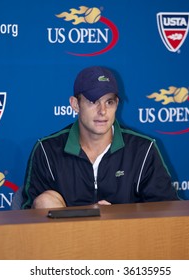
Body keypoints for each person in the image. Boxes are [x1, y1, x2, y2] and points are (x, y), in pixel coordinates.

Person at [21, 66, 178, 209]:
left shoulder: (143, 150)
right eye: (93, 101)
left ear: (117, 104)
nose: (102, 111)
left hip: (126, 236)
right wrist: (86, 220)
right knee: (44, 201)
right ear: (75, 104)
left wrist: (117, 217)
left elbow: (167, 209)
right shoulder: (47, 151)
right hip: (67, 237)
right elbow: (28, 214)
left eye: (109, 102)